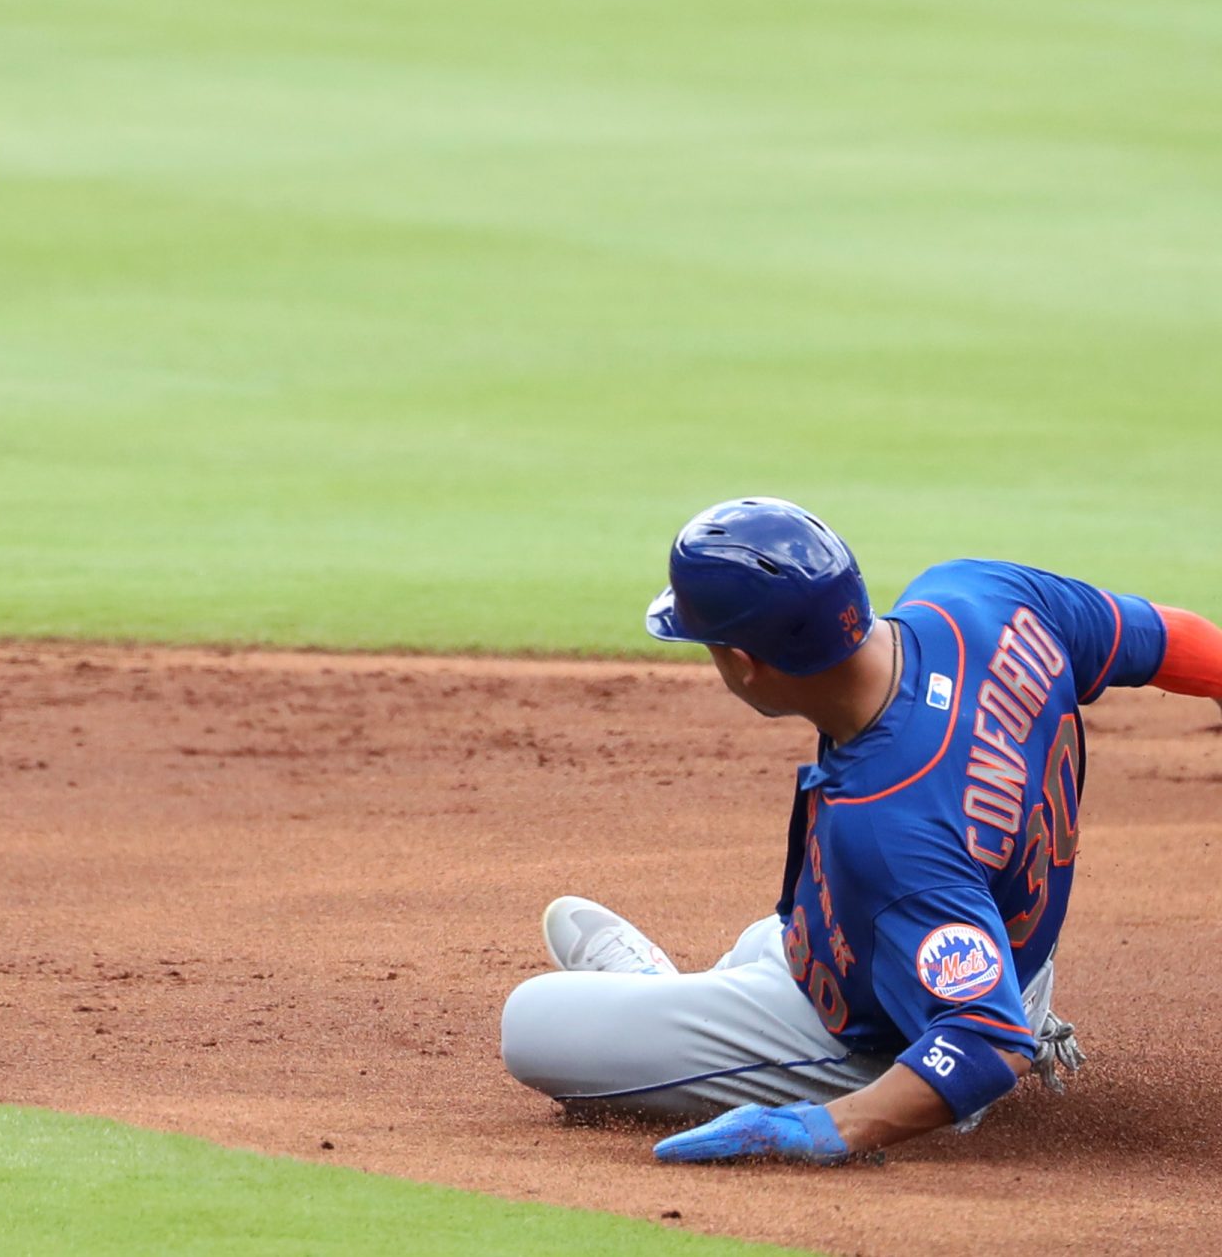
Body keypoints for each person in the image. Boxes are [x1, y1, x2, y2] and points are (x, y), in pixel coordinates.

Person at [497, 497, 1222, 1163]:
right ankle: (678, 1005)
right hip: (979, 936)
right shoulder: (980, 595)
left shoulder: (890, 821)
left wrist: (833, 1126)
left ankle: (669, 1004)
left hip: (900, 1034)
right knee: (768, 943)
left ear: (746, 665)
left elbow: (991, 1043)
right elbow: (1170, 639)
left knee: (536, 1024)